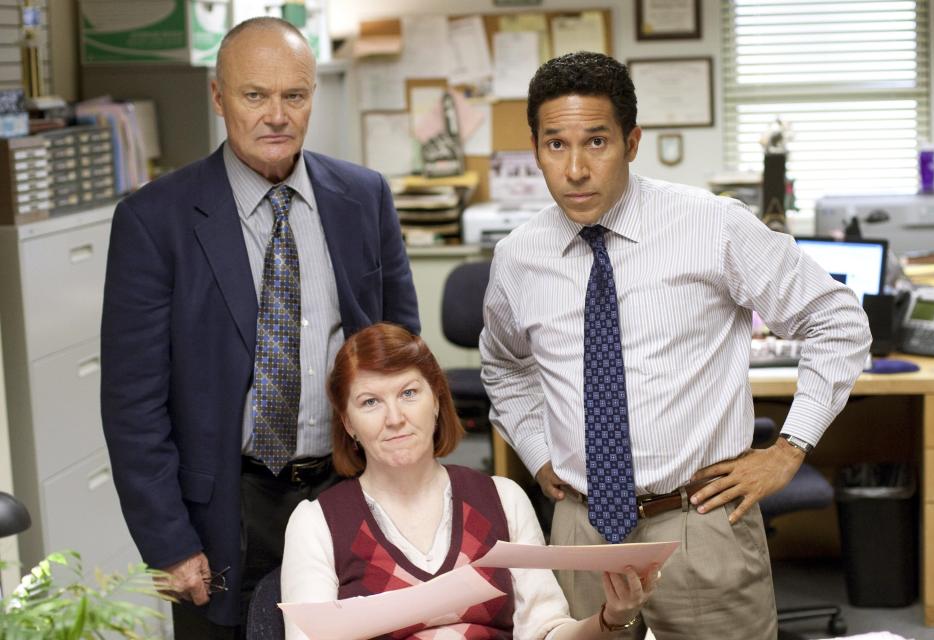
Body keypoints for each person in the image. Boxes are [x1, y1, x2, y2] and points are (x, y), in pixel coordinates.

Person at [479, 51, 871, 640]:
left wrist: (789, 449)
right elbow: (504, 366)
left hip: (699, 522)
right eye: (555, 145)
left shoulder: (713, 226)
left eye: (597, 142)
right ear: (534, 148)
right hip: (581, 530)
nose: (576, 168)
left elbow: (836, 320)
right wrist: (535, 447)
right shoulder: (517, 259)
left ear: (632, 142)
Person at [100, 17, 419, 638]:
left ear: (311, 98)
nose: (276, 114)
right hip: (226, 507)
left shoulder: (363, 197)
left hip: (347, 486)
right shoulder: (154, 220)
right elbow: (132, 403)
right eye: (255, 95)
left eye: (293, 96)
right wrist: (167, 539)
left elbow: (402, 356)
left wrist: (409, 488)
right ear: (219, 98)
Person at [281, 323, 660, 639]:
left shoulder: (502, 499)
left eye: (409, 393)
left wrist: (611, 617)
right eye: (370, 402)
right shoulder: (317, 523)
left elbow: (544, 631)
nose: (394, 418)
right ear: (348, 423)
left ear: (436, 400)